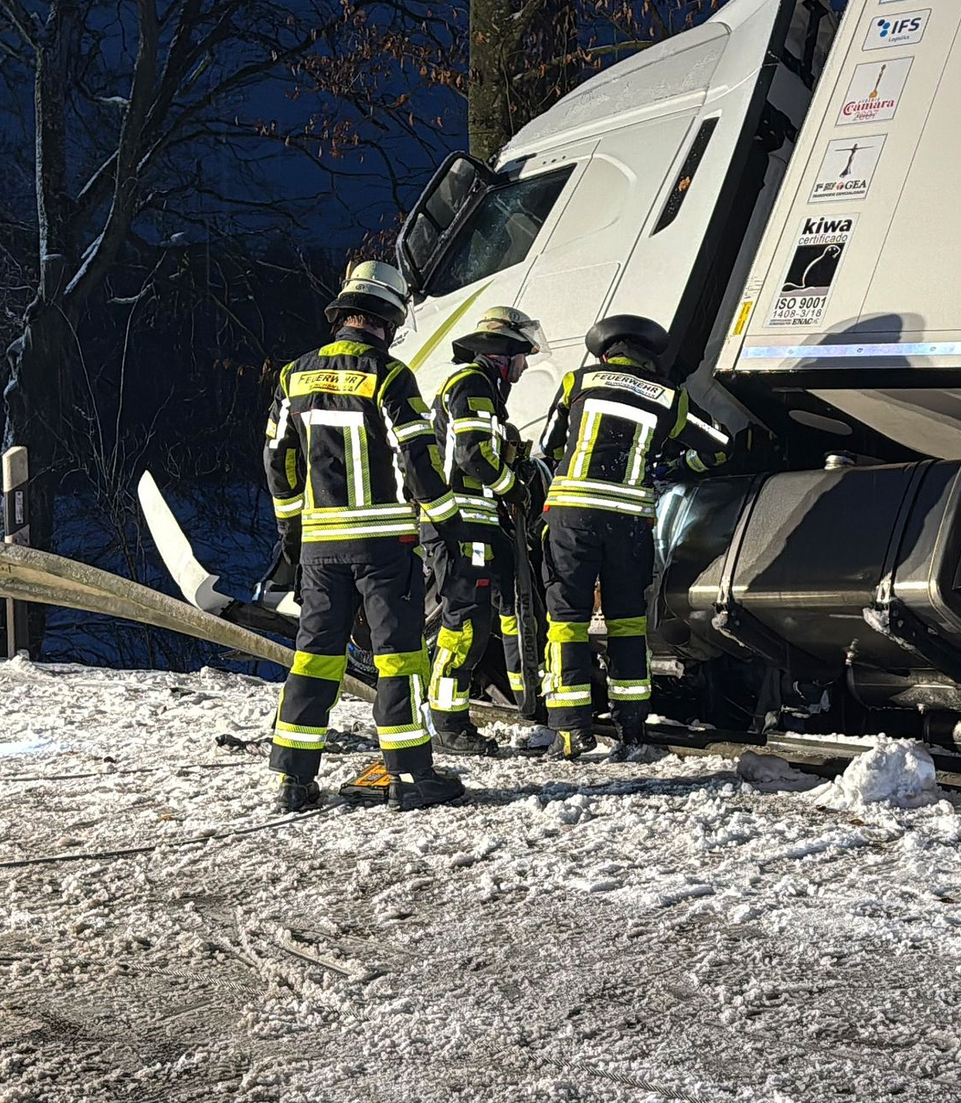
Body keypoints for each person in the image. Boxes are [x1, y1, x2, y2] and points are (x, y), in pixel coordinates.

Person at [264, 260, 466, 812]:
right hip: (383, 550)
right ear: (389, 319)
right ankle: (409, 777)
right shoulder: (391, 376)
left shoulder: (293, 375)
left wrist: (292, 534)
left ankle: (294, 781)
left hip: (320, 549)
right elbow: (419, 459)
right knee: (399, 658)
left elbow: (278, 462)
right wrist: (448, 522)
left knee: (314, 657)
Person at [537, 314, 730, 758]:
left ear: (606, 352)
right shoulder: (669, 398)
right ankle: (632, 727)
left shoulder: (576, 382)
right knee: (626, 622)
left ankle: (570, 730)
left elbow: (548, 447)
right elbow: (720, 445)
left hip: (573, 518)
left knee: (567, 621)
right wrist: (675, 467)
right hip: (628, 524)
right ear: (650, 358)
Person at [425, 307, 545, 755]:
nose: (525, 366)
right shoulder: (472, 385)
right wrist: (513, 487)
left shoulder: (485, 393)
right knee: (465, 623)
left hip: (479, 523)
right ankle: (449, 724)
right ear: (503, 354)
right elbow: (474, 455)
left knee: (515, 604)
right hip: (458, 524)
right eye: (521, 356)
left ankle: (529, 701)